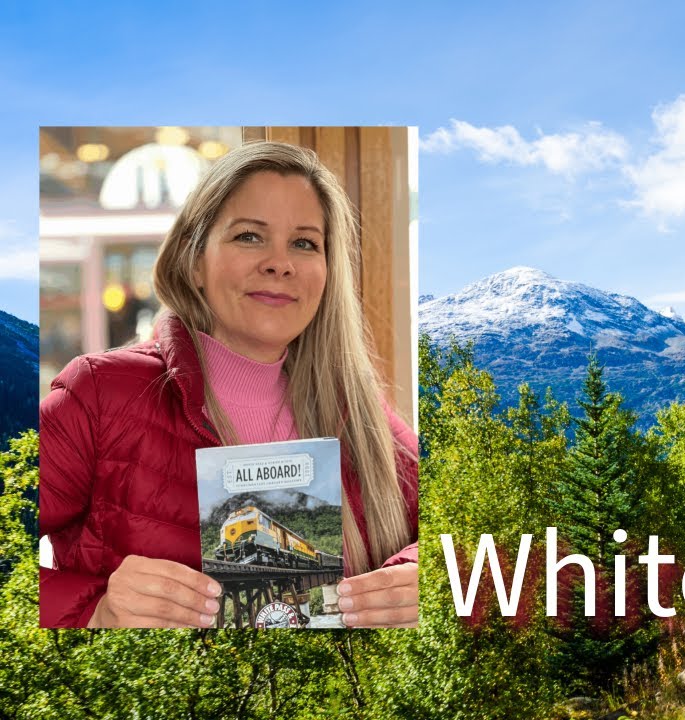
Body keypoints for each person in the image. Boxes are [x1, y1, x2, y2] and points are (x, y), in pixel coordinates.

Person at [39, 141, 419, 628]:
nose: (280, 263)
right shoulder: (99, 393)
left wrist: (420, 576)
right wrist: (96, 610)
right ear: (193, 261)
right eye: (249, 236)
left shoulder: (359, 411)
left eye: (304, 243)